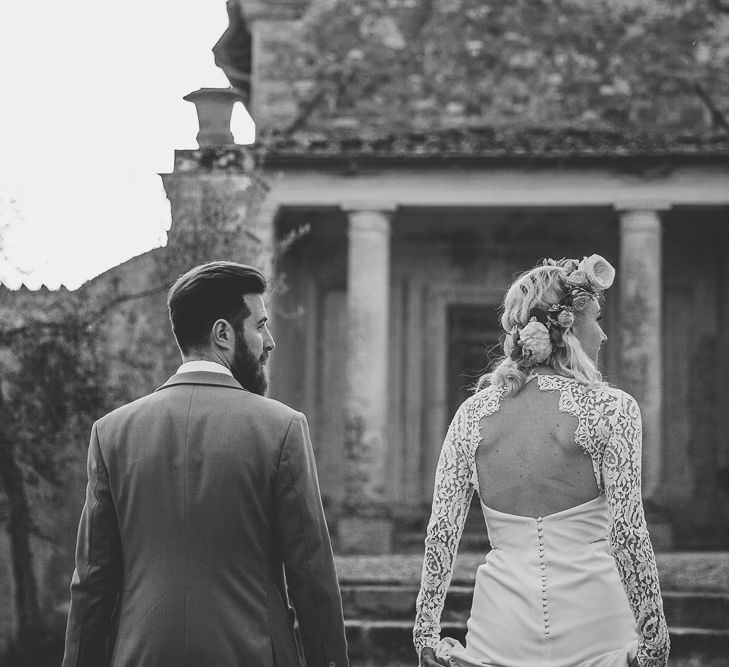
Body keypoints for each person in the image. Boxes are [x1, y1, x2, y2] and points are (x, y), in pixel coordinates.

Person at [62, 261, 349, 667]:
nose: (269, 341)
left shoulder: (111, 432)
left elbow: (91, 584)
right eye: (260, 325)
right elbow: (311, 578)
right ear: (223, 333)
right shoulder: (282, 427)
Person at [413, 255, 670, 667]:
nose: (603, 335)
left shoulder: (472, 415)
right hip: (597, 625)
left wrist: (425, 631)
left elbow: (442, 533)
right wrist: (655, 641)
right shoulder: (612, 408)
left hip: (499, 630)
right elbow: (628, 533)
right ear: (570, 322)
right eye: (598, 319)